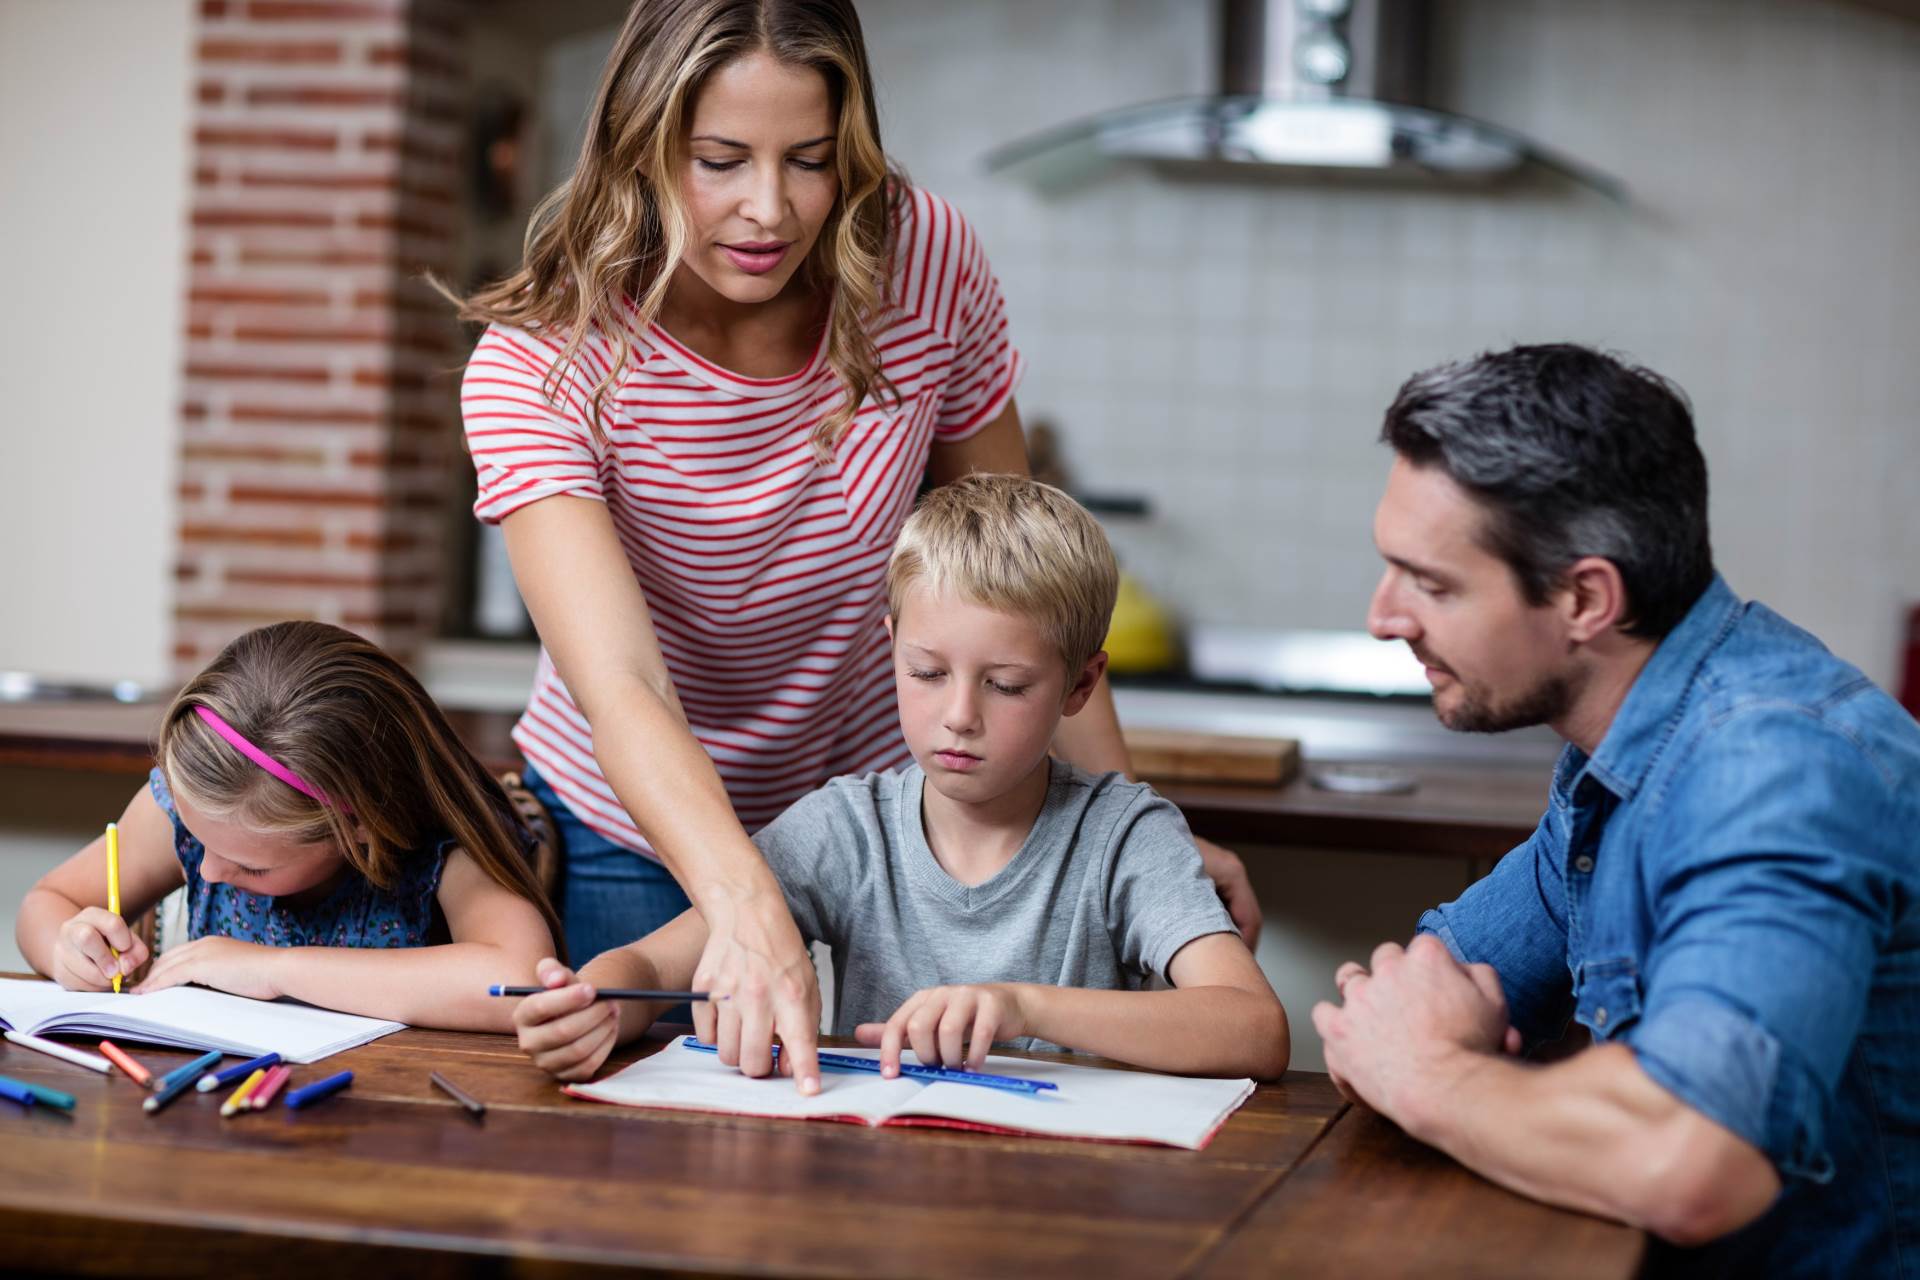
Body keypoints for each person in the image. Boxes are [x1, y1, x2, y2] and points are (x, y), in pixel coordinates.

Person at [451, 0, 1257, 1093]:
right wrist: (744, 901)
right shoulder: (543, 361)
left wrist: (1125, 835)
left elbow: (1027, 587)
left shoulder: (925, 263)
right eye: (721, 160)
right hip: (635, 838)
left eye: (812, 160)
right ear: (639, 149)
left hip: (895, 836)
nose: (769, 209)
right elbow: (623, 683)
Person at [1313, 345, 1917, 1275]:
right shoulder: (1621, 754)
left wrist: (1433, 1075)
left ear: (1586, 598)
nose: (1383, 616)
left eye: (1431, 583)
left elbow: (1692, 1158)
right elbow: (1402, 1003)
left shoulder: (1773, 772)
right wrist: (1421, 1057)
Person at [509, 475, 1288, 1083]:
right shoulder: (847, 828)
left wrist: (1020, 1006)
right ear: (891, 646)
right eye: (925, 671)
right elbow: (654, 965)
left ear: (1081, 687)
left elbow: (1254, 1030)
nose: (959, 715)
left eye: (1007, 685)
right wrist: (600, 1000)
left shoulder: (1125, 837)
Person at [16, 621, 563, 1032]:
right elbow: (49, 899)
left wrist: (274, 970)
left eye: (253, 865)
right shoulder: (190, 810)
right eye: (196, 839)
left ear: (364, 828)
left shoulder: (446, 844)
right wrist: (66, 948)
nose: (206, 868)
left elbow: (518, 982)